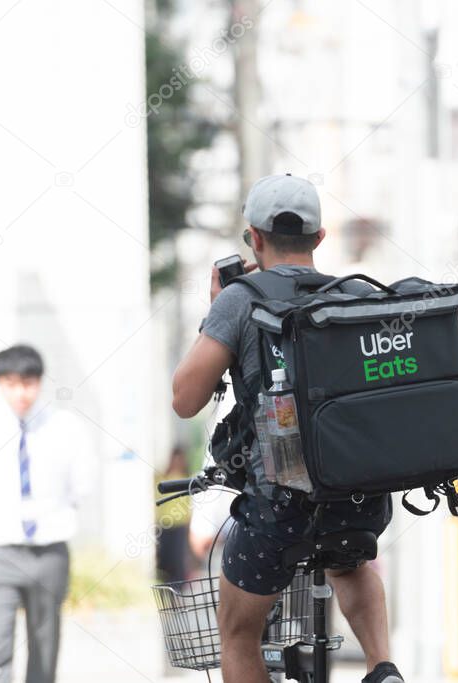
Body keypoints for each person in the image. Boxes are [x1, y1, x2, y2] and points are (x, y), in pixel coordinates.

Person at [171, 174, 403, 683]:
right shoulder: (352, 297)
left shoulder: (240, 300)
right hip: (357, 497)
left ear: (253, 238)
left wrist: (217, 311)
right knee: (351, 562)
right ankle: (380, 666)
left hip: (280, 505)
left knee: (237, 634)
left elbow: (185, 399)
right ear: (319, 239)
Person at [0, 344, 94, 683]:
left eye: (27, 382)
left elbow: (80, 486)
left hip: (48, 551)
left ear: (39, 382)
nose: (20, 392)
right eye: (10, 382)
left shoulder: (66, 428)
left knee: (45, 647)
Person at [155, 445, 192, 582]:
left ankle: (178, 587)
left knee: (178, 558)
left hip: (180, 525)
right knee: (164, 557)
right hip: (164, 523)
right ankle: (165, 584)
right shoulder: (162, 478)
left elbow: (188, 505)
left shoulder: (186, 479)